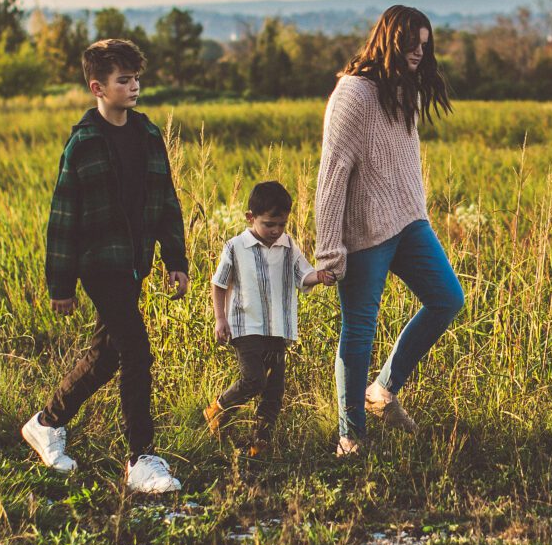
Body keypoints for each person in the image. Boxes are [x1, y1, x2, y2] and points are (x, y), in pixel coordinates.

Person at [20, 38, 190, 493]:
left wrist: (176, 258)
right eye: (123, 80)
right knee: (136, 350)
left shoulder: (149, 135)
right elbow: (63, 215)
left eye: (136, 78)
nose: (134, 86)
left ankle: (47, 421)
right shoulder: (84, 143)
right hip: (99, 264)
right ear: (98, 86)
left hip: (136, 263)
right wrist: (61, 283)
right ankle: (141, 459)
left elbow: (167, 200)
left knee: (107, 353)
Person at [313, 5, 465, 457]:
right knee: (358, 330)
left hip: (409, 221)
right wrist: (328, 250)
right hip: (364, 229)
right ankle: (349, 435)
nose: (420, 52)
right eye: (412, 44)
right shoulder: (352, 93)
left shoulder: (405, 89)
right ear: (389, 40)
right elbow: (332, 173)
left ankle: (382, 390)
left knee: (448, 298)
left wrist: (420, 210)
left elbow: (400, 163)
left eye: (425, 44)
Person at [202, 181, 337, 456]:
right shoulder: (236, 246)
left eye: (282, 224)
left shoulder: (288, 246)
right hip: (246, 325)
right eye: (269, 224)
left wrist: (320, 276)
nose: (276, 230)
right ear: (251, 218)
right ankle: (218, 408)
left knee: (274, 391)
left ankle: (259, 443)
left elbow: (304, 275)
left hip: (277, 328)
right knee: (254, 379)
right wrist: (220, 319)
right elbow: (219, 283)